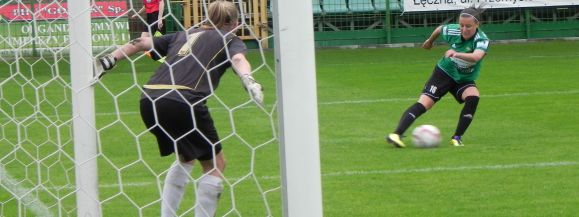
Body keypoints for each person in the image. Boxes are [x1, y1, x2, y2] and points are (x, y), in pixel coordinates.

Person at [96, 1, 263, 216]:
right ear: (234, 23)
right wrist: (249, 80)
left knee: (186, 157)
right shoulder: (229, 38)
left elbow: (140, 43)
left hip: (149, 99)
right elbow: (239, 58)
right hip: (183, 99)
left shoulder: (183, 34)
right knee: (215, 164)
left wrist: (111, 59)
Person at [386, 5, 489, 148]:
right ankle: (396, 134)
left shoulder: (481, 39)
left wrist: (456, 53)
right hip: (444, 73)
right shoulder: (453, 30)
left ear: (477, 24)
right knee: (425, 103)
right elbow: (440, 29)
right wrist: (429, 41)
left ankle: (456, 138)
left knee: (473, 97)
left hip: (463, 78)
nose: (464, 29)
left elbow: (476, 57)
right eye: (461, 25)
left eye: (469, 26)